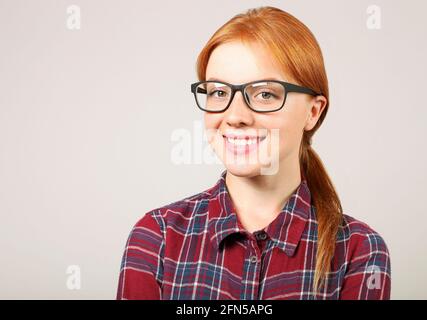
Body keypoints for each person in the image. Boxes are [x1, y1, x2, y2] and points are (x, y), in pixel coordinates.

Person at [116, 6, 391, 300]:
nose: (235, 116)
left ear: (313, 112)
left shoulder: (359, 252)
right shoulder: (157, 237)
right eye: (218, 92)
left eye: (265, 94)